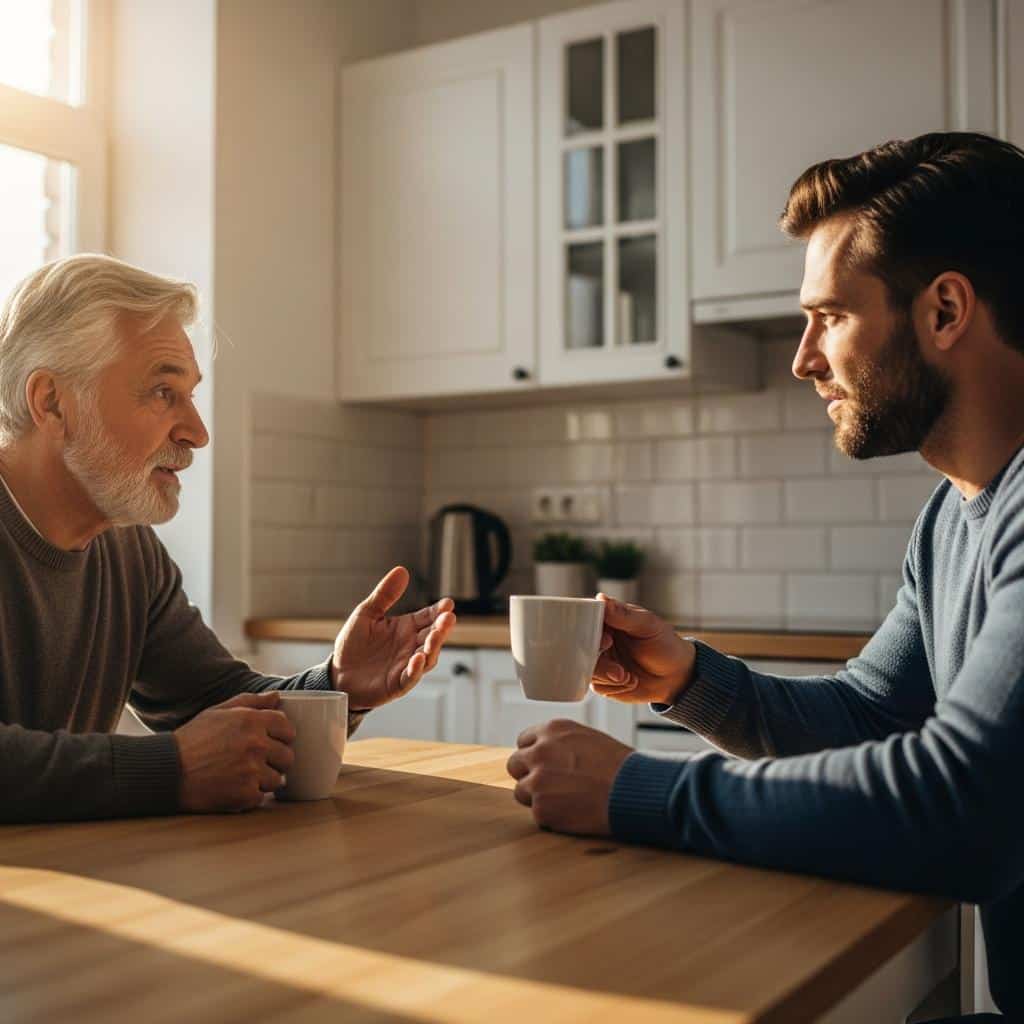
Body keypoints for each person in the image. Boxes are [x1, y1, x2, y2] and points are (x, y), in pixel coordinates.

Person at [506, 131, 1024, 1020]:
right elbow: (869, 716)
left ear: (944, 312)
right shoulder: (952, 515)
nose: (804, 358)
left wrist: (636, 792)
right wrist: (694, 680)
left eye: (830, 316)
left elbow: (963, 813)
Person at [0, 254, 455, 822]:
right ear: (51, 401)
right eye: (163, 393)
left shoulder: (129, 549)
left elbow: (213, 700)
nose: (197, 433)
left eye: (190, 395)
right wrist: (172, 769)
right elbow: (188, 754)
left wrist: (338, 683)